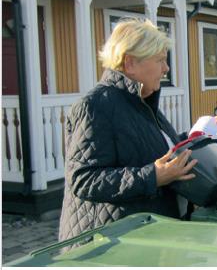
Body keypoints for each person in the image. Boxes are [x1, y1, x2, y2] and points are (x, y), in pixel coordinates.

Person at [59, 18, 200, 242]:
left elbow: (152, 149)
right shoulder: (95, 106)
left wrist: (201, 134)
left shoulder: (142, 102)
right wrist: (152, 176)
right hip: (107, 246)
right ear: (130, 63)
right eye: (160, 60)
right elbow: (83, 179)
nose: (166, 68)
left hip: (142, 237)